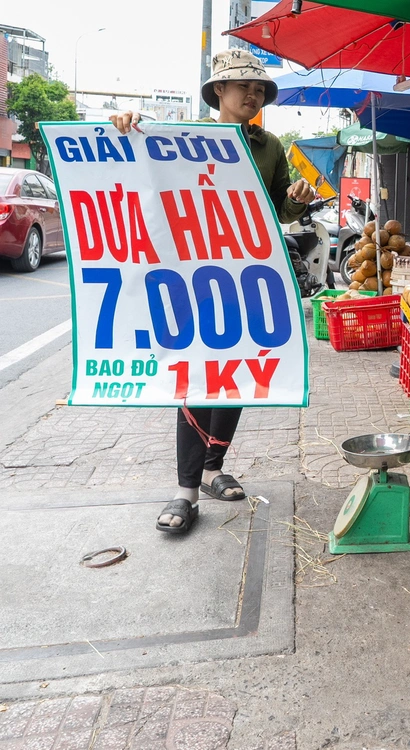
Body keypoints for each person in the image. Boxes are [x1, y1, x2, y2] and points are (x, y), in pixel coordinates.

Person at [110, 49, 316, 535]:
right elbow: (139, 170)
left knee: (237, 372)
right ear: (218, 90)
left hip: (247, 274)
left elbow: (279, 210)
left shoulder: (270, 146)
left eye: (260, 88)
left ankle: (211, 469)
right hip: (192, 275)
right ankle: (185, 492)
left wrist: (296, 198)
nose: (253, 95)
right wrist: (125, 125)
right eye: (244, 86)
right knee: (195, 374)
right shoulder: (183, 135)